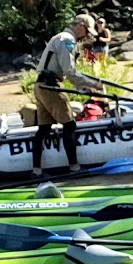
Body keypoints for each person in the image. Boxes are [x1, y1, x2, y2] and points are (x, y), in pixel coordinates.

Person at [31, 14, 104, 175]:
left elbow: (65, 72)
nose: (85, 36)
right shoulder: (67, 40)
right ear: (80, 26)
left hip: (40, 84)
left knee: (44, 128)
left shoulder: (59, 37)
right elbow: (69, 71)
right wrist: (93, 84)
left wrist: (83, 87)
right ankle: (74, 167)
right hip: (51, 86)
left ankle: (36, 170)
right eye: (86, 32)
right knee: (69, 125)